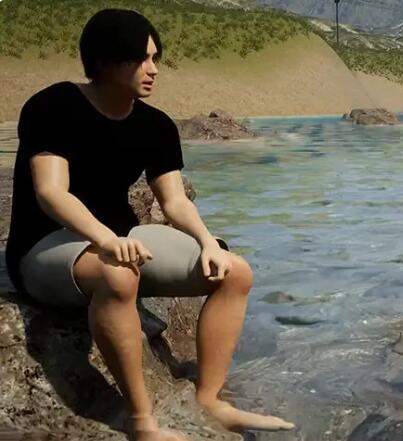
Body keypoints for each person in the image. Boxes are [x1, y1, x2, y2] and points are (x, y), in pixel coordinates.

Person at [5, 9, 295, 440]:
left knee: (234, 272)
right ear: (104, 61)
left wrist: (207, 242)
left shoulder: (155, 125)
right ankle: (142, 422)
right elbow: (51, 192)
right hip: (45, 243)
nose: (153, 69)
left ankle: (210, 400)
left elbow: (173, 201)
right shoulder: (53, 105)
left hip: (121, 237)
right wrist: (105, 239)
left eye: (155, 58)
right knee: (119, 275)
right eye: (140, 59)